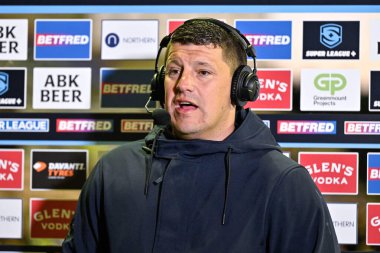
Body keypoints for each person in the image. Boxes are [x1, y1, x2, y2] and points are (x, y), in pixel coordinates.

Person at [62, 18, 340, 253]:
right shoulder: (114, 170)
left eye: (203, 72)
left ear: (240, 88)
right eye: (173, 71)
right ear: (159, 84)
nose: (183, 84)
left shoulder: (284, 184)